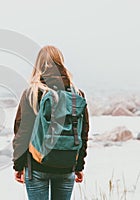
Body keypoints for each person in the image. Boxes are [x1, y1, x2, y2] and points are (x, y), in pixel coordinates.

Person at [12, 45, 89, 200]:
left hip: (37, 166)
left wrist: (18, 166)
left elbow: (22, 131)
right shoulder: (76, 94)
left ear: (38, 65)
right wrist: (79, 165)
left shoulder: (32, 93)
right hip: (67, 166)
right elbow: (83, 132)